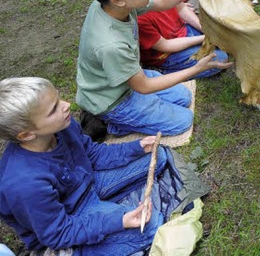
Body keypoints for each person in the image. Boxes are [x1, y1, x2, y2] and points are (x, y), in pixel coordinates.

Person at [0, 77, 178, 254]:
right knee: (150, 226)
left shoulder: (62, 126)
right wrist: (118, 221)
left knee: (158, 155)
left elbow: (93, 154)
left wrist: (136, 148)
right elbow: (57, 233)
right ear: (26, 135)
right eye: (53, 109)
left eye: (58, 98)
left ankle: (107, 207)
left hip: (88, 182)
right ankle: (79, 250)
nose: (66, 105)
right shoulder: (24, 183)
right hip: (72, 216)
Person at [76, 0, 232, 137]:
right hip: (114, 99)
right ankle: (110, 122)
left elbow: (163, 1)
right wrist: (196, 69)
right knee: (182, 121)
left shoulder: (114, 5)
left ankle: (140, 108)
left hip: (129, 78)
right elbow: (144, 86)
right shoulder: (111, 45)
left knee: (184, 97)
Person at [138, 0, 229, 78]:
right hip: (166, 55)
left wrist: (205, 29)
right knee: (221, 59)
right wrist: (205, 37)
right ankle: (163, 73)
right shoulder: (138, 16)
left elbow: (181, 8)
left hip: (184, 31)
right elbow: (165, 46)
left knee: (226, 39)